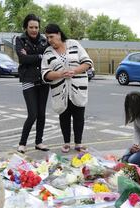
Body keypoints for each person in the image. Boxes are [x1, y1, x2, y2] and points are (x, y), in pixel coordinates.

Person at [41, 23, 93, 153]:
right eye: (47, 37)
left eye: (51, 36)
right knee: (64, 116)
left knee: (79, 116)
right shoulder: (48, 52)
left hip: (78, 88)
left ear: (59, 34)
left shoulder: (74, 44)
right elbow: (45, 74)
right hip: (60, 90)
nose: (49, 40)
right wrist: (59, 74)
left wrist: (74, 71)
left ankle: (78, 143)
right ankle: (66, 143)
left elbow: (87, 63)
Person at [16, 14, 50, 153]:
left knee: (41, 114)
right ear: (26, 27)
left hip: (42, 79)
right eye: (31, 27)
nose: (34, 30)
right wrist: (39, 56)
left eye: (36, 27)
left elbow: (47, 57)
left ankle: (39, 142)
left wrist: (31, 56)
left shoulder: (44, 40)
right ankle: (22, 143)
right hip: (28, 79)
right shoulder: (20, 39)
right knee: (33, 114)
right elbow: (22, 59)